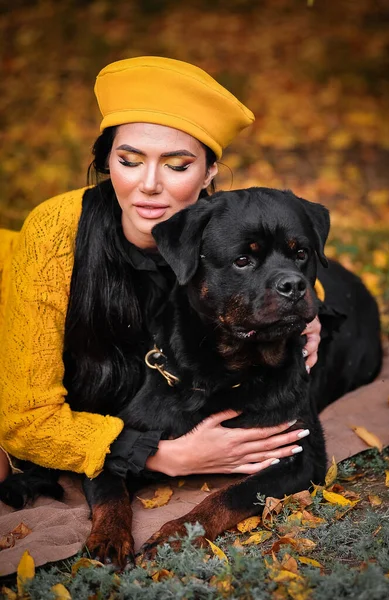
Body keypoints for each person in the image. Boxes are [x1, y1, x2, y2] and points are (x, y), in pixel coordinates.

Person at [0, 56, 321, 487]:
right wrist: (161, 456)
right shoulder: (54, 233)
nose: (149, 184)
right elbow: (24, 420)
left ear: (209, 172)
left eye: (177, 165)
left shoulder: (214, 228)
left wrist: (308, 311)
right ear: (105, 162)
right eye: (129, 160)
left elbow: (286, 258)